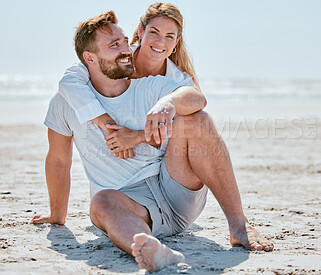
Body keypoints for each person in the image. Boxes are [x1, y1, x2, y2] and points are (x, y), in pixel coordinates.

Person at [30, 9, 274, 273]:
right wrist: (57, 215)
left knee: (198, 119)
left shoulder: (154, 86)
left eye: (124, 41)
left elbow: (197, 98)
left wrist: (163, 109)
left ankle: (238, 224)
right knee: (101, 202)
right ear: (89, 58)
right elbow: (57, 159)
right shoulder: (69, 99)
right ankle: (156, 251)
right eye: (115, 45)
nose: (127, 50)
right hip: (129, 204)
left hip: (174, 190)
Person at [58, 2, 198, 160]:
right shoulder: (118, 57)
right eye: (154, 32)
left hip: (160, 162)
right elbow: (69, 80)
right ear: (140, 31)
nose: (160, 42)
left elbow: (187, 129)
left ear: (176, 42)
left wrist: (137, 136)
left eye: (169, 36)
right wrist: (107, 124)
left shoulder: (179, 81)